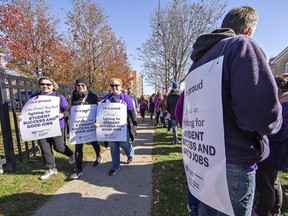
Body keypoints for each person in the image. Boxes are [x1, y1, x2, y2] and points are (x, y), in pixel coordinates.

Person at [176, 6, 282, 216]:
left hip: (201, 160)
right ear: (250, 30)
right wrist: (276, 121)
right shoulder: (242, 45)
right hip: (232, 163)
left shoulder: (198, 62)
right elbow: (261, 117)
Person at [19, 76, 75, 180]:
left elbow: (67, 110)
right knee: (45, 149)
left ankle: (71, 154)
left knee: (59, 147)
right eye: (42, 84)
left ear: (53, 86)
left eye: (48, 84)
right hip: (40, 127)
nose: (45, 86)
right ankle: (51, 168)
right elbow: (28, 111)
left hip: (57, 126)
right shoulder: (34, 98)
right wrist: (22, 118)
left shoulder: (59, 97)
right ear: (39, 86)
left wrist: (63, 114)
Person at [255, 76, 288, 216]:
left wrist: (260, 132)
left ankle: (264, 212)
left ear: (279, 89)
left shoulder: (285, 104)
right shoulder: (281, 103)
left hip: (273, 154)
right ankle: (276, 210)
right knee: (273, 182)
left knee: (266, 186)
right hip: (273, 153)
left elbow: (280, 132)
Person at [100, 78, 137, 176]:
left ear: (121, 86)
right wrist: (98, 122)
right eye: (112, 85)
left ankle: (130, 153)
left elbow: (132, 111)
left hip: (123, 127)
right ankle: (115, 166)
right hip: (110, 127)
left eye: (116, 85)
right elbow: (101, 112)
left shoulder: (126, 97)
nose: (114, 87)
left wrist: (135, 124)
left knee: (124, 144)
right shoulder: (106, 98)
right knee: (113, 146)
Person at [70, 78, 103, 179]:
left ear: (86, 86)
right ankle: (79, 169)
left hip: (90, 125)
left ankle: (98, 155)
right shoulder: (74, 96)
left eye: (82, 85)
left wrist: (97, 122)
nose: (80, 87)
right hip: (79, 127)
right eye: (78, 85)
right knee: (78, 147)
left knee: (94, 142)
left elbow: (98, 109)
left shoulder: (92, 96)